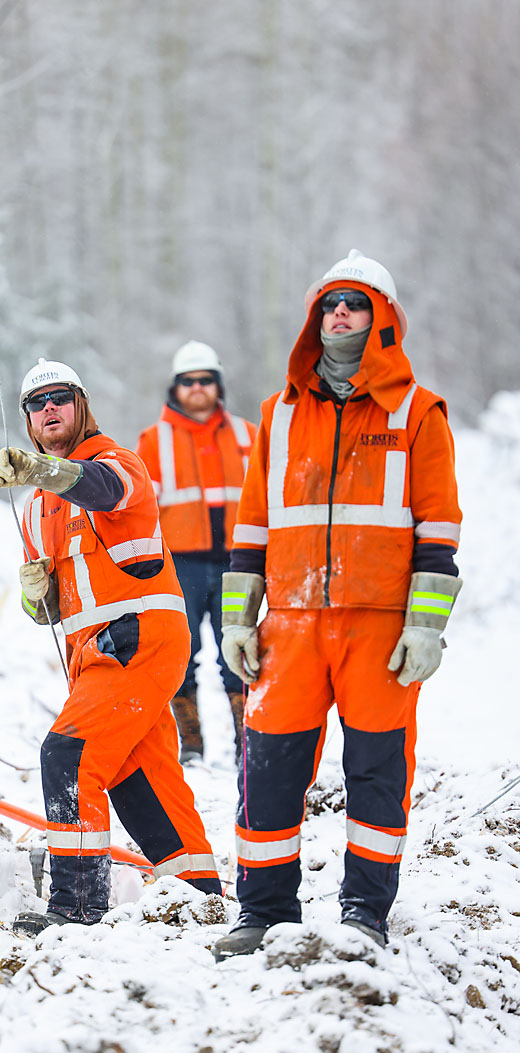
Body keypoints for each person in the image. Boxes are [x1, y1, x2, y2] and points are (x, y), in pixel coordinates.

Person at [212, 250, 463, 960]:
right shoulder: (278, 414)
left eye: (355, 303)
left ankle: (364, 913)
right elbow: (252, 527)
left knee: (378, 771)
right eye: (330, 304)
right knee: (267, 769)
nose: (340, 314)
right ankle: (261, 910)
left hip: (379, 628)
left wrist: (426, 625)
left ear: (382, 318)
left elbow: (439, 532)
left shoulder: (418, 412)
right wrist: (238, 617)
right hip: (289, 626)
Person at [0, 358, 222, 936]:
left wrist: (42, 469)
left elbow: (106, 491)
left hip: (136, 637)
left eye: (60, 399)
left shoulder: (114, 461)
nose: (49, 410)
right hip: (94, 652)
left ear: (81, 405)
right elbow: (53, 608)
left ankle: (77, 908)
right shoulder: (39, 506)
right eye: (37, 406)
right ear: (27, 419)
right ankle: (200, 897)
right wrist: (34, 597)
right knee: (139, 775)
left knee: (68, 757)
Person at [136, 341, 256, 764]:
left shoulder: (247, 434)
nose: (198, 388)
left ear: (218, 384)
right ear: (176, 387)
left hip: (237, 563)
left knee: (239, 651)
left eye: (205, 380)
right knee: (180, 655)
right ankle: (190, 742)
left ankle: (248, 740)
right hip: (179, 564)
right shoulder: (153, 440)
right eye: (189, 381)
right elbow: (139, 508)